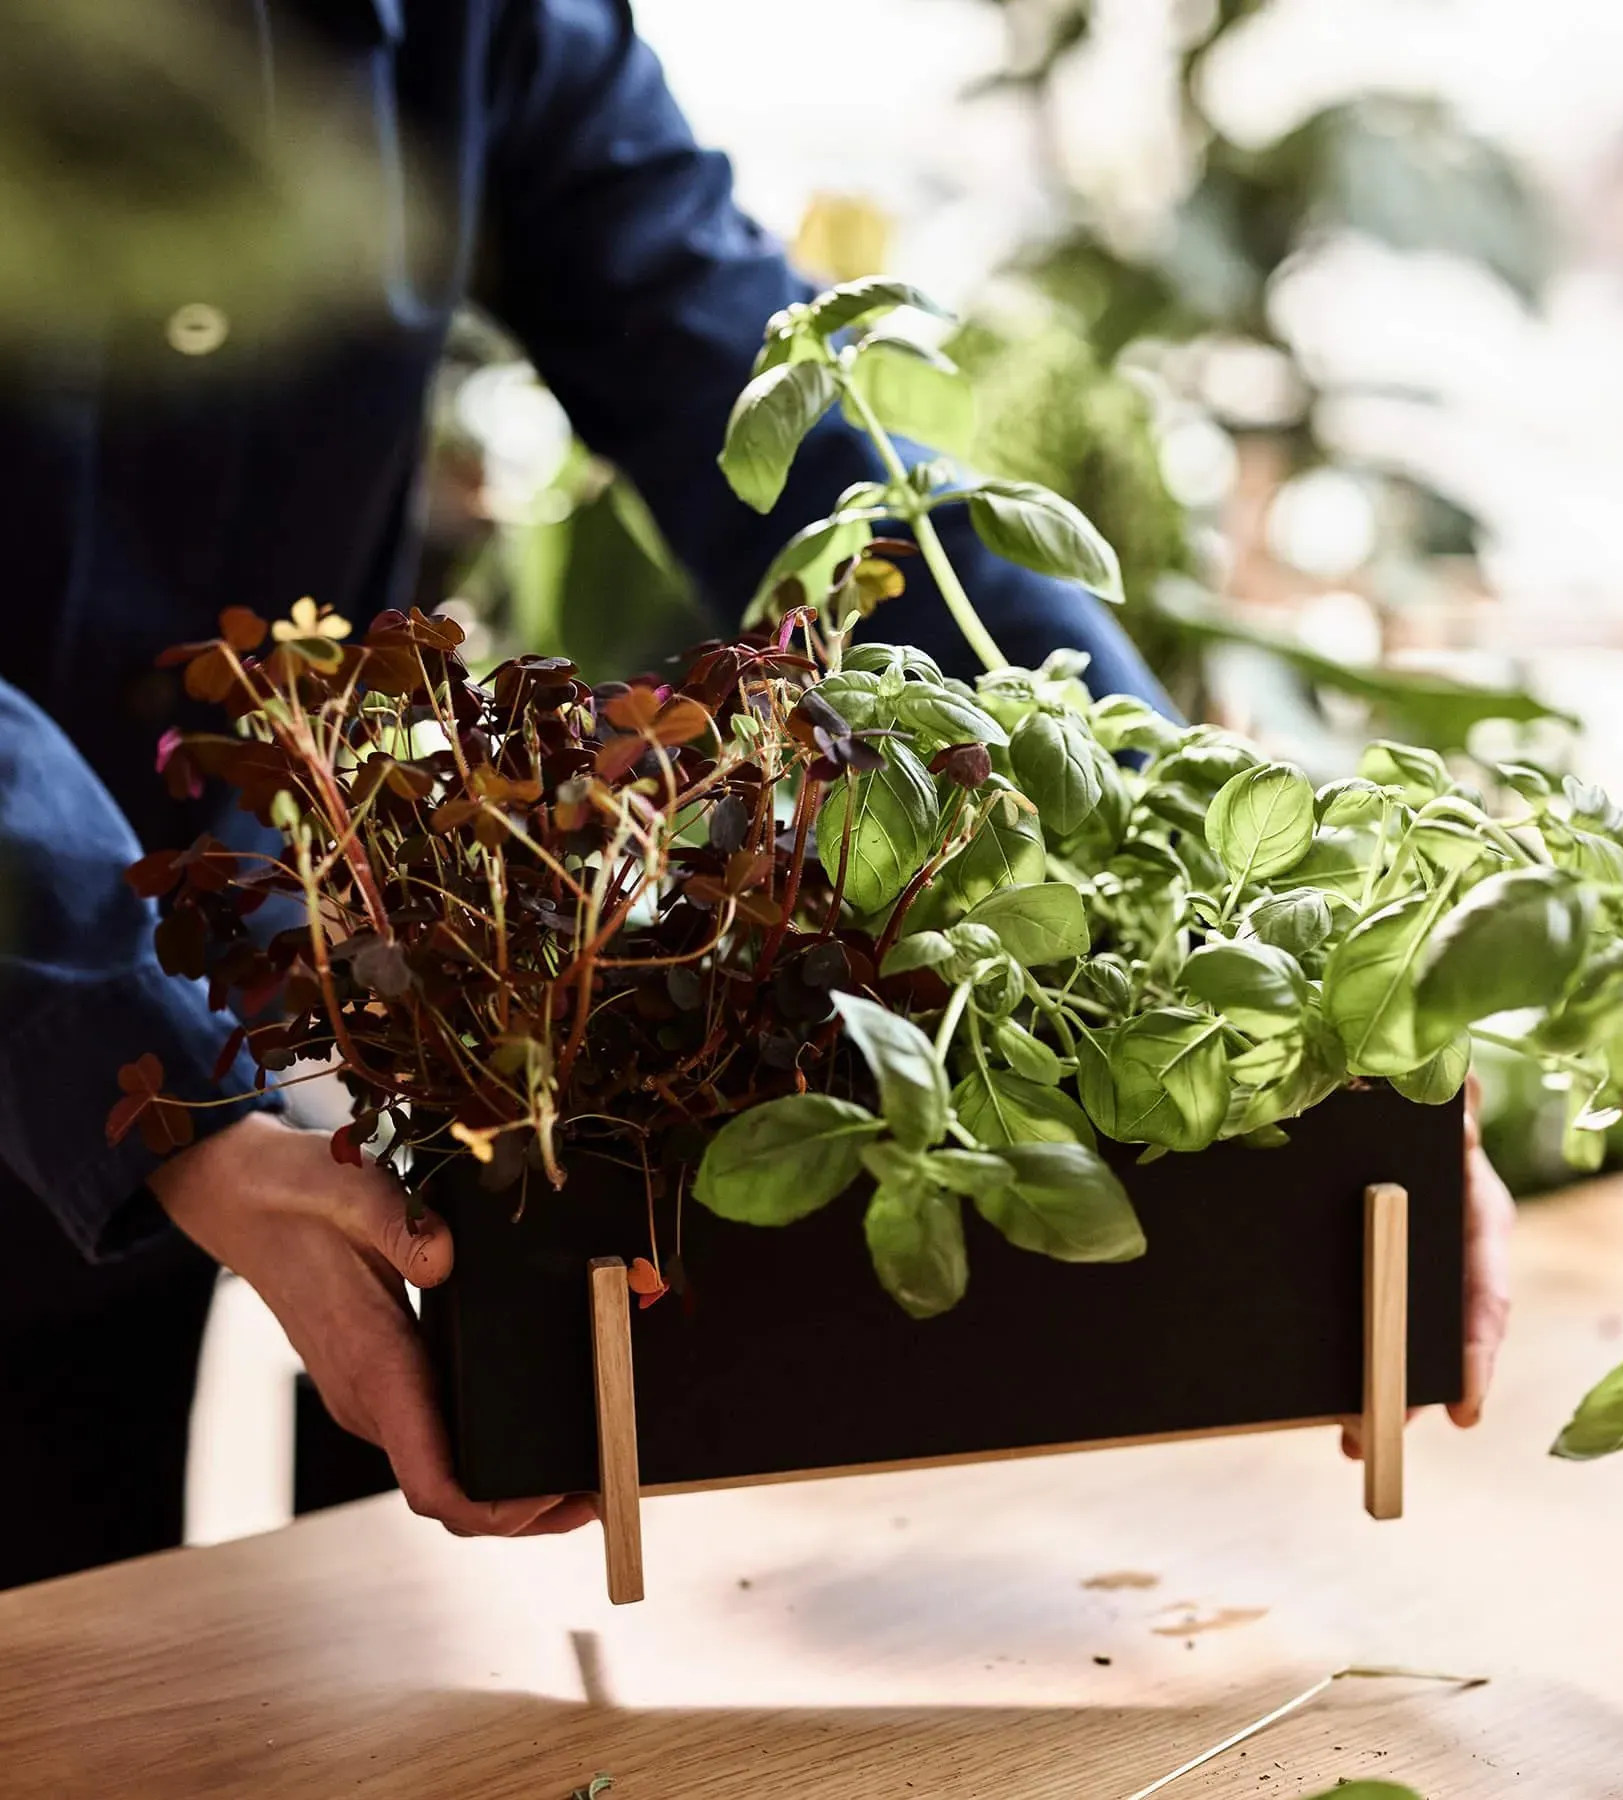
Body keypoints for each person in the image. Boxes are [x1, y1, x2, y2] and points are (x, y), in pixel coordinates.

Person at [0, 0, 1512, 1589]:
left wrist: (1241, 898)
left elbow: (776, 413)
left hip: (246, 1028)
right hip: (137, 1047)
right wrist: (161, 1085)